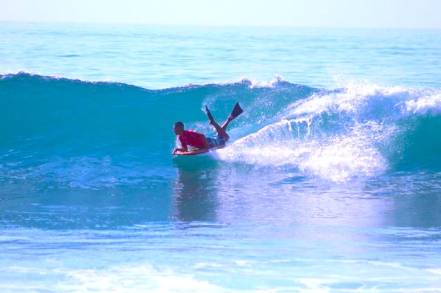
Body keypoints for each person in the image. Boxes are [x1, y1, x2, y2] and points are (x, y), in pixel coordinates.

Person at [173, 103, 243, 154]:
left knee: (225, 138)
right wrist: (177, 149)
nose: (174, 130)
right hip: (210, 141)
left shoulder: (188, 133)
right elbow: (185, 149)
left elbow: (202, 136)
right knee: (220, 135)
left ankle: (216, 122)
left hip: (211, 143)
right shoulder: (181, 137)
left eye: (175, 128)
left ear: (180, 128)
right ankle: (222, 121)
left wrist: (207, 148)